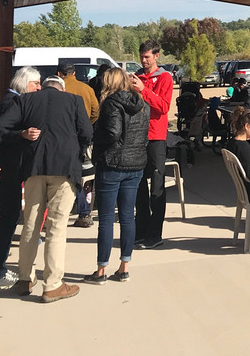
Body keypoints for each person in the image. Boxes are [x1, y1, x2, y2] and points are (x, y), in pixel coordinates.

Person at [0, 75, 93, 303]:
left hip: (33, 169)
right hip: (64, 169)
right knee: (56, 227)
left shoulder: (25, 101)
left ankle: (25, 279)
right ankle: (52, 285)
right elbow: (87, 133)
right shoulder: (73, 101)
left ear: (44, 87)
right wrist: (77, 151)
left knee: (31, 224)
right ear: (61, 89)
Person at [0, 66, 42, 290]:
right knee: (8, 219)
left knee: (10, 218)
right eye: (36, 84)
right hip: (7, 170)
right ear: (26, 83)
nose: (39, 88)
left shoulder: (12, 100)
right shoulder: (12, 102)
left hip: (8, 168)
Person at [85, 67, 149, 285]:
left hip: (112, 164)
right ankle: (124, 267)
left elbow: (112, 133)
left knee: (105, 219)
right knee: (127, 216)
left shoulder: (111, 103)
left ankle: (101, 269)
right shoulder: (142, 103)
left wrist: (96, 137)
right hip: (136, 163)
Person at [132, 40, 174, 249]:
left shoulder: (165, 77)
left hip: (156, 137)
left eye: (147, 57)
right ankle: (141, 230)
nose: (143, 60)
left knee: (157, 187)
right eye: (141, 56)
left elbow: (164, 107)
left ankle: (155, 234)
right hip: (138, 137)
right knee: (138, 184)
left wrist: (144, 90)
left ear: (157, 56)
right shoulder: (137, 77)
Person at [58, 60, 99, 229]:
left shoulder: (59, 90)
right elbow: (96, 111)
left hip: (61, 137)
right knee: (78, 174)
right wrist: (86, 125)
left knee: (65, 175)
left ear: (59, 74)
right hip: (82, 137)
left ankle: (80, 210)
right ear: (74, 73)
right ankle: (83, 211)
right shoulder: (87, 89)